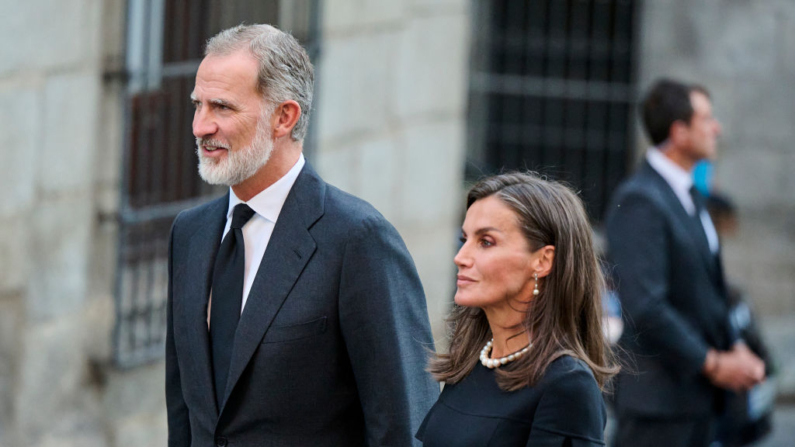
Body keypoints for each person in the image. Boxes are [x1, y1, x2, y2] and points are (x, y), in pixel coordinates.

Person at [165, 24, 438, 446]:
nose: (201, 126)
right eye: (197, 105)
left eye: (221, 107)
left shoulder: (359, 240)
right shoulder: (190, 233)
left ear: (284, 117)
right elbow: (184, 414)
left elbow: (403, 426)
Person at [605, 79, 766, 447]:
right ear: (679, 132)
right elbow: (645, 305)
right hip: (658, 405)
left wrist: (736, 346)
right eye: (707, 119)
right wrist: (713, 362)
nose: (717, 128)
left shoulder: (688, 192)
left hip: (696, 400)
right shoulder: (640, 201)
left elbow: (708, 291)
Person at [416, 173, 617, 446]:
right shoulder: (471, 363)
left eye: (486, 242)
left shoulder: (567, 385)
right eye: (465, 239)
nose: (461, 257)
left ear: (543, 261)